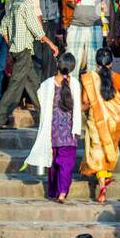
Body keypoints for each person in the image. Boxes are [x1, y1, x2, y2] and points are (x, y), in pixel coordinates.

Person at [0, 0, 59, 130]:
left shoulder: (15, 3)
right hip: (24, 50)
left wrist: (10, 44)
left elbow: (3, 28)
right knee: (15, 85)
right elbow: (37, 30)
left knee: (33, 83)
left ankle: (46, 117)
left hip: (16, 50)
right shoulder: (27, 4)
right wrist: (51, 44)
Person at [27, 54, 82, 204]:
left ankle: (53, 191)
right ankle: (62, 192)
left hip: (52, 132)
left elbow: (41, 101)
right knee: (66, 164)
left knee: (54, 164)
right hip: (69, 133)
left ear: (58, 65)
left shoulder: (46, 84)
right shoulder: (75, 83)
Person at [82, 49, 120, 204]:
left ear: (96, 63)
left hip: (97, 120)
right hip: (113, 121)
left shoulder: (90, 79)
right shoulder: (116, 77)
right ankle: (105, 175)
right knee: (109, 147)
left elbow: (85, 101)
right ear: (111, 63)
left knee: (98, 150)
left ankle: (102, 184)